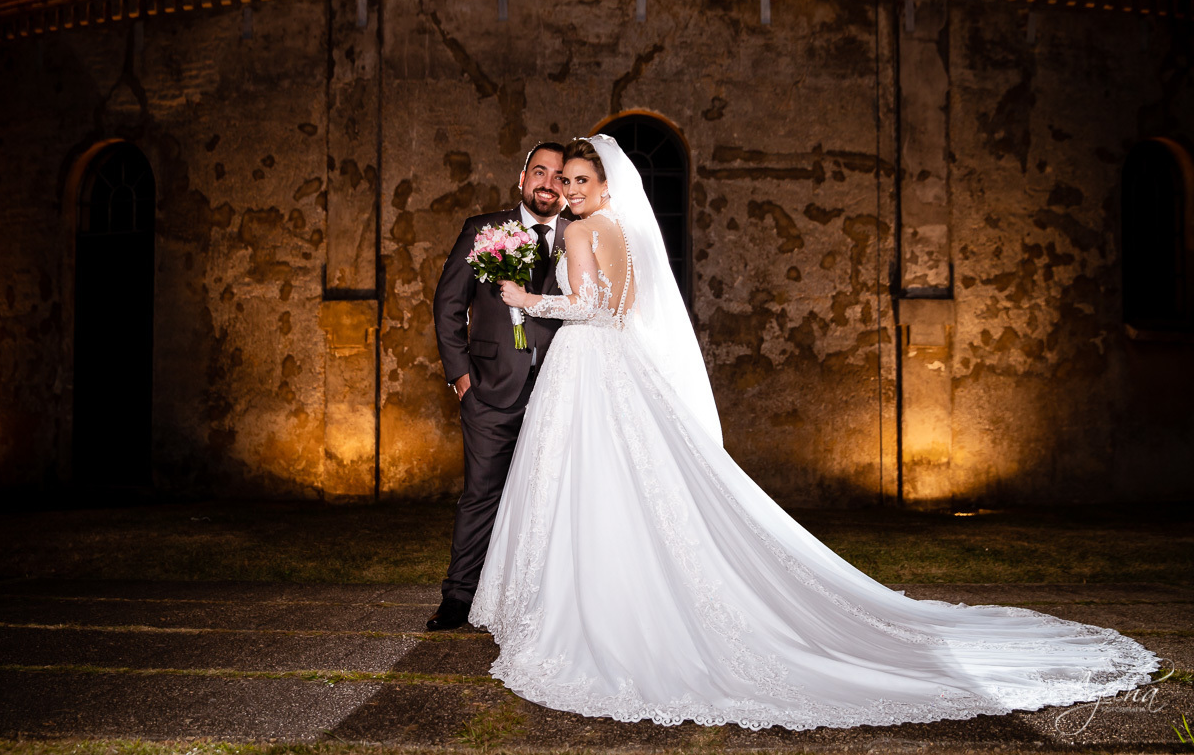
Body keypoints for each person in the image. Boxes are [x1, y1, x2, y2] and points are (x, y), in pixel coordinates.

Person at [467, 135, 1159, 730]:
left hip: (588, 365)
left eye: (581, 181)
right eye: (566, 181)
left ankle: (590, 608)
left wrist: (529, 300)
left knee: (588, 484)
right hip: (611, 366)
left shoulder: (586, 230)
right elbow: (627, 307)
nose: (571, 189)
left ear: (605, 183)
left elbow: (591, 309)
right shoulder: (620, 227)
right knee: (615, 483)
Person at [429, 142, 572, 631]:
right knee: (482, 494)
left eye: (559, 176)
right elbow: (448, 304)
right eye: (540, 172)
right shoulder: (484, 230)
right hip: (489, 389)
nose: (549, 184)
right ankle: (459, 597)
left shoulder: (582, 235)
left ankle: (537, 602)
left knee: (552, 498)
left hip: (560, 390)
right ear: (522, 177)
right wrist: (462, 376)